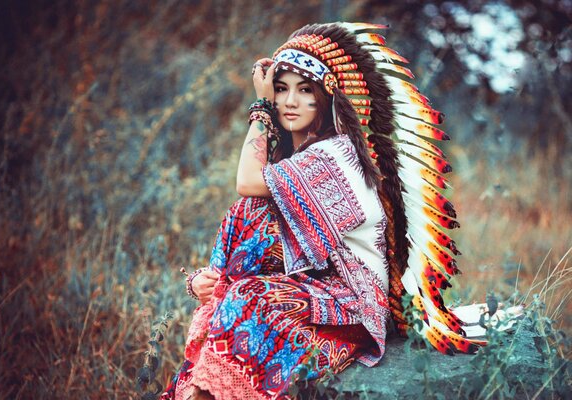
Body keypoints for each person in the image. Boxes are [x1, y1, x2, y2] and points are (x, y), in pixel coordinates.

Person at [161, 22, 480, 400]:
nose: (290, 101)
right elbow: (259, 222)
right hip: (317, 287)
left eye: (305, 90)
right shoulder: (295, 159)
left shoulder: (334, 156)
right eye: (280, 90)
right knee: (248, 224)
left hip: (355, 304)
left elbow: (246, 179)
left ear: (326, 98)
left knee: (247, 294)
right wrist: (205, 278)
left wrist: (260, 107)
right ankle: (215, 295)